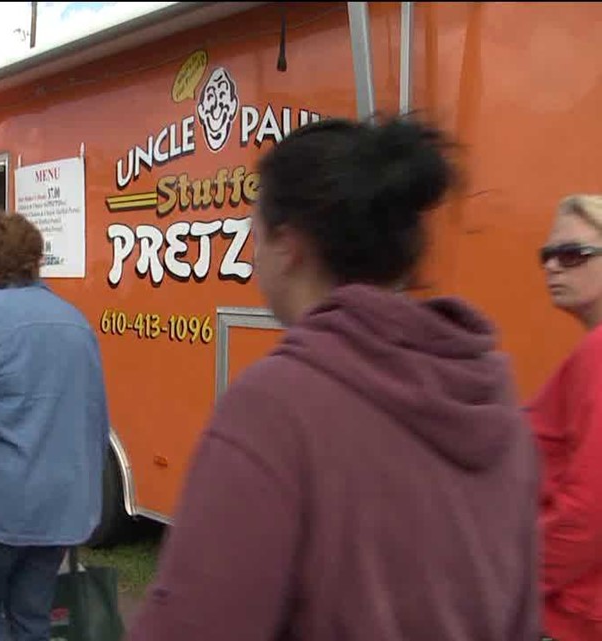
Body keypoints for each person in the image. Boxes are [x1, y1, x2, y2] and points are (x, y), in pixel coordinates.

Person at [127, 117, 539, 640]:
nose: (252, 255)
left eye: (253, 234)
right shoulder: (493, 392)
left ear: (289, 243)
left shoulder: (272, 408)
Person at [0, 211, 110, 641]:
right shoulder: (75, 320)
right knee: (34, 615)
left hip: (0, 501)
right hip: (66, 501)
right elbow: (96, 415)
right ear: (35, 258)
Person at [528, 194, 602, 641]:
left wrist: (514, 582)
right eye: (548, 256)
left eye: (573, 254)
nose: (553, 267)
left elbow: (590, 506)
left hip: (574, 615)